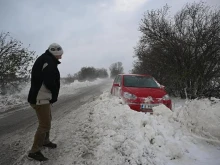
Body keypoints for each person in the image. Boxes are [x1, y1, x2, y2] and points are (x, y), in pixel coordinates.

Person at [27, 43, 63, 161]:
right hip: (40, 98)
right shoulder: (48, 62)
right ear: (55, 53)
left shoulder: (47, 59)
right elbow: (49, 81)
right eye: (60, 55)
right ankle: (34, 151)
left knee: (48, 120)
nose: (61, 57)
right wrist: (54, 93)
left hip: (42, 97)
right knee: (44, 124)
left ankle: (45, 141)